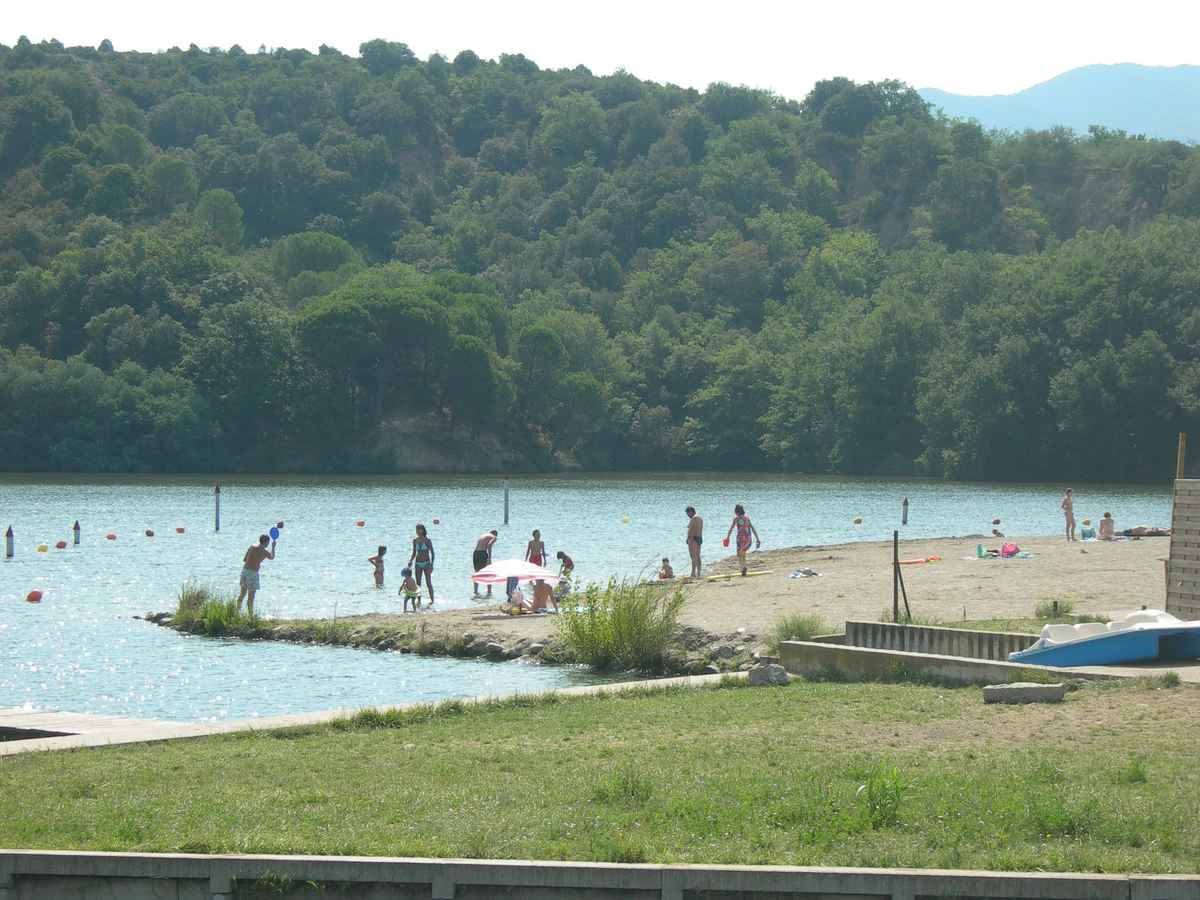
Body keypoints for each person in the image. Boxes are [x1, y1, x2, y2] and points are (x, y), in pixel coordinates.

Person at [236, 534, 276, 616]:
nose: (268, 544)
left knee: (242, 594)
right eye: (268, 542)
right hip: (253, 573)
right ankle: (250, 616)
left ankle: (237, 613)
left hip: (244, 571)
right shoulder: (264, 552)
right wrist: (273, 547)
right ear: (265, 542)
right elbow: (272, 557)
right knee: (251, 597)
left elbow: (245, 559)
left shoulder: (252, 547)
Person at [724, 503, 761, 577]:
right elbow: (752, 528)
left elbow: (731, 528)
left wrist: (727, 537)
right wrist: (757, 539)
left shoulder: (736, 519)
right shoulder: (747, 518)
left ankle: (743, 568)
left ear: (736, 512)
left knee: (740, 555)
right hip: (748, 539)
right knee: (742, 554)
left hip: (740, 539)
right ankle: (743, 568)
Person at [409, 523, 435, 605]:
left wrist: (431, 565)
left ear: (423, 530)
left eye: (419, 529)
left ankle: (432, 600)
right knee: (418, 583)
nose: (417, 531)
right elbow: (414, 553)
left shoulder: (427, 541)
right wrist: (410, 561)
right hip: (418, 564)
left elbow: (433, 553)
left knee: (428, 583)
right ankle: (419, 601)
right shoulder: (415, 541)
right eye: (416, 529)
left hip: (427, 563)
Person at [473, 530, 498, 597]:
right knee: (489, 572)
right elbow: (489, 545)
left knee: (477, 572)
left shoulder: (484, 535)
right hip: (482, 553)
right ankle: (489, 592)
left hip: (475, 553)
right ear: (495, 534)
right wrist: (489, 558)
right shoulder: (494, 537)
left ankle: (475, 591)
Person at [686, 506, 703, 577]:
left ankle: (693, 573)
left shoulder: (693, 519)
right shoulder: (700, 518)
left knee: (693, 556)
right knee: (698, 556)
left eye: (688, 513)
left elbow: (691, 530)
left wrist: (689, 539)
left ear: (691, 512)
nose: (687, 515)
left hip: (693, 539)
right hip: (699, 538)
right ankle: (699, 572)